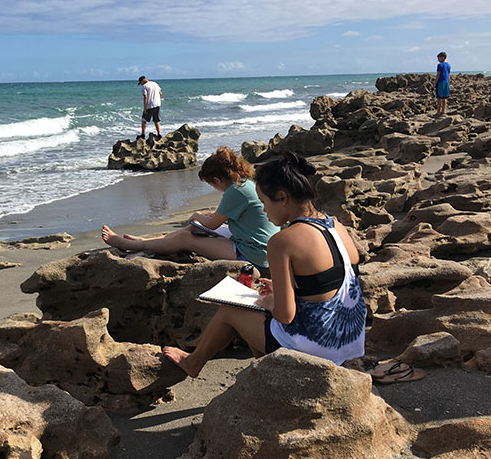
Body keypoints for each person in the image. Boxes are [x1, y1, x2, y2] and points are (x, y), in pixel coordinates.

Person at [164, 152, 366, 376]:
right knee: (261, 319)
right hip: (351, 339)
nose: (264, 210)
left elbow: (285, 315)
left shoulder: (282, 241)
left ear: (282, 197)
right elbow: (331, 285)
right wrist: (287, 289)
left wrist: (272, 302)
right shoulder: (336, 226)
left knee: (231, 310)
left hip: (320, 345)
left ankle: (193, 363)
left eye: (263, 202)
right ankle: (267, 373)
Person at [102, 146, 278, 272]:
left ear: (217, 180)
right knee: (194, 227)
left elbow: (212, 225)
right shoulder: (245, 184)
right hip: (262, 247)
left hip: (253, 254)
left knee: (187, 237)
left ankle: (131, 245)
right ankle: (150, 242)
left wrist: (198, 216)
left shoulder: (236, 191)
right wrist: (206, 218)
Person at [434, 51, 451, 116]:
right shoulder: (448, 65)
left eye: (439, 58)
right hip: (446, 82)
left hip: (440, 82)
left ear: (443, 57)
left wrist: (435, 82)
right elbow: (448, 74)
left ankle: (438, 111)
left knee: (439, 98)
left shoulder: (440, 65)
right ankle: (443, 111)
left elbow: (438, 74)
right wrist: (449, 82)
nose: (438, 60)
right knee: (444, 97)